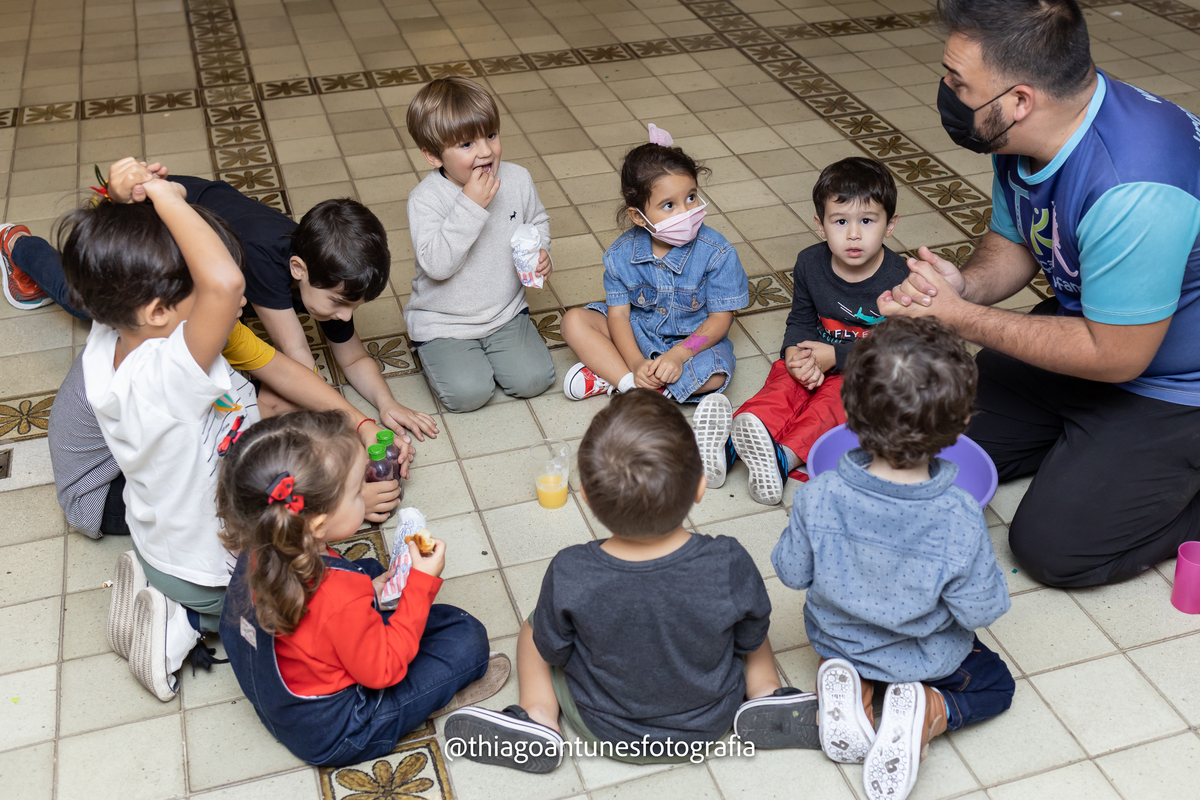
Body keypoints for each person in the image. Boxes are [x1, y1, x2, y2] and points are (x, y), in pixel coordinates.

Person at [882, 0, 1200, 587]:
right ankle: (1089, 448)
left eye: (959, 82)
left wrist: (960, 317)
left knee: (1054, 549)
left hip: (1173, 383)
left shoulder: (1134, 186)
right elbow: (1017, 237)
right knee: (925, 446)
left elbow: (1117, 356)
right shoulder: (1031, 129)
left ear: (1019, 99)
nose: (947, 91)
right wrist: (964, 285)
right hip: (1093, 330)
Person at [444, 390, 818, 774]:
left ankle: (538, 716)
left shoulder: (572, 570)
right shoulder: (728, 560)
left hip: (604, 728)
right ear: (700, 487)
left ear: (586, 498)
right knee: (748, 618)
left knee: (535, 624)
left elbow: (554, 650)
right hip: (709, 723)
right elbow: (749, 635)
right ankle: (766, 693)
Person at [1, 159, 438, 442]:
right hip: (161, 225)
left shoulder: (330, 274)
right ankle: (19, 245)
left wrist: (386, 406)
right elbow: (296, 358)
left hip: (207, 228)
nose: (343, 317)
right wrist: (343, 439)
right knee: (88, 299)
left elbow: (353, 355)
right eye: (340, 305)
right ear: (299, 270)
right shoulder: (269, 264)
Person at [48, 205, 402, 540]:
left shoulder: (178, 326)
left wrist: (363, 427)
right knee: (243, 482)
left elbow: (286, 373)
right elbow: (224, 487)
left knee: (285, 403)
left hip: (153, 451)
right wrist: (342, 506)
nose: (242, 303)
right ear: (160, 307)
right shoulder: (152, 377)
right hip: (104, 491)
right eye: (218, 295)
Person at [773, 317, 1013, 800]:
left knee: (844, 652)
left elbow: (791, 572)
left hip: (838, 639)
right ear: (960, 426)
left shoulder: (819, 494)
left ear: (850, 412)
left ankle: (852, 690)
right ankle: (926, 706)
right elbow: (979, 610)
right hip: (926, 656)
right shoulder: (958, 514)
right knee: (996, 685)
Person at [216, 410, 507, 767]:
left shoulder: (265, 537)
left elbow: (319, 611)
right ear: (319, 524)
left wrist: (368, 587)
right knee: (467, 638)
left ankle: (378, 601)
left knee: (366, 571)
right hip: (338, 731)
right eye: (357, 493)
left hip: (273, 688)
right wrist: (421, 584)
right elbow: (383, 671)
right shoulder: (338, 594)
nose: (365, 494)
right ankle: (424, 705)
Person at [60, 161, 252, 700]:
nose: (228, 298)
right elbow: (226, 282)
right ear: (159, 310)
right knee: (296, 601)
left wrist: (124, 198)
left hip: (162, 540)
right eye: (197, 287)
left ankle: (158, 588)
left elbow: (112, 259)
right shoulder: (168, 374)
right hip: (212, 572)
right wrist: (166, 196)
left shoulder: (113, 331)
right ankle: (183, 626)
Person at [691, 157, 908, 505]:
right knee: (781, 386)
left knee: (828, 407)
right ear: (821, 226)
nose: (853, 234)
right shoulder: (810, 262)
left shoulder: (901, 279)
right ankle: (726, 448)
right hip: (811, 356)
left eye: (867, 221)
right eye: (840, 221)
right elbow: (801, 320)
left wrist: (835, 357)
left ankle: (780, 460)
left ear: (890, 225)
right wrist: (793, 353)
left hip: (865, 374)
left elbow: (901, 350)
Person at [560, 125, 748, 403]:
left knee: (716, 374)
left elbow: (720, 319)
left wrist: (679, 355)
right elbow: (619, 317)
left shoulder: (718, 252)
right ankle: (631, 383)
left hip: (694, 342)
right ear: (638, 217)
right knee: (573, 321)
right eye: (669, 205)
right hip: (638, 333)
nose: (686, 211)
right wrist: (636, 363)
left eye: (691, 197)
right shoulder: (619, 255)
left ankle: (612, 378)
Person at [404, 77, 556, 412]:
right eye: (466, 144)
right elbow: (437, 266)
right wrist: (470, 206)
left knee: (534, 381)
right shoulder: (425, 201)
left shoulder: (518, 179)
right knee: (469, 394)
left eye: (490, 135)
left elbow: (537, 222)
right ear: (433, 156)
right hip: (444, 321)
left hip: (505, 312)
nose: (486, 151)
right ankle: (430, 349)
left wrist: (541, 252)